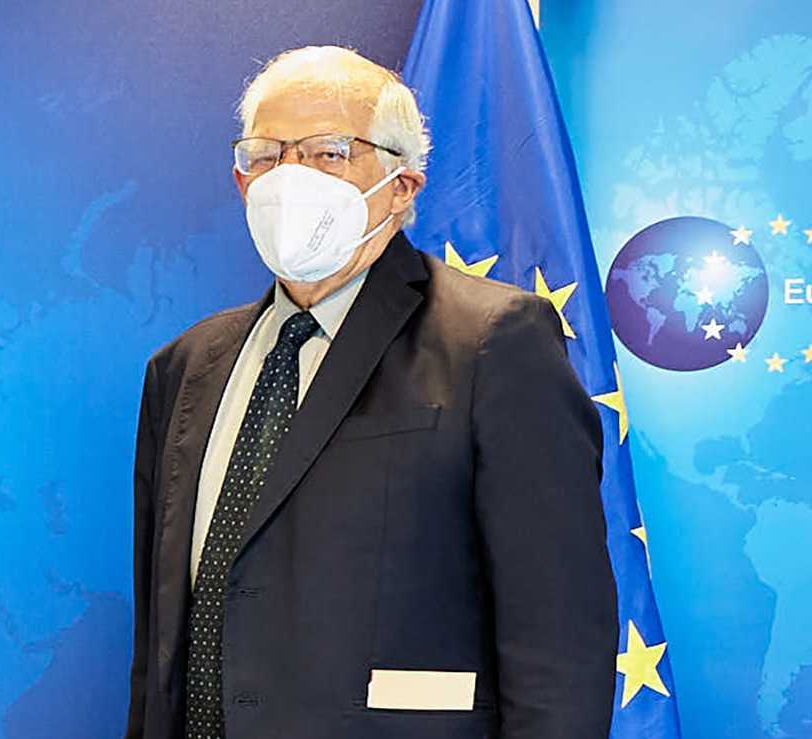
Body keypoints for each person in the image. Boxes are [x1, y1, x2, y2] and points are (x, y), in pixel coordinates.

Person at [125, 47, 615, 738]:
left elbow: (558, 633)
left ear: (402, 184)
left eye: (328, 153)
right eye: (266, 156)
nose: (288, 177)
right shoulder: (185, 365)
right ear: (241, 179)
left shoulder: (493, 341)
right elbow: (160, 638)